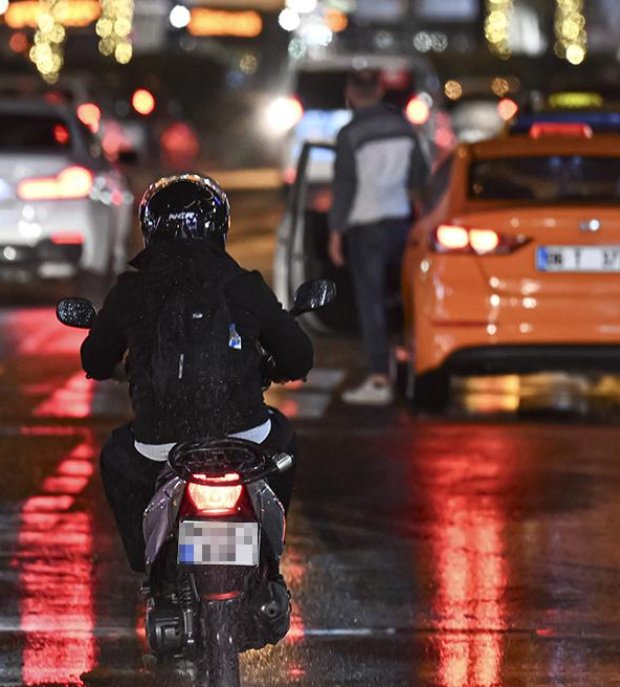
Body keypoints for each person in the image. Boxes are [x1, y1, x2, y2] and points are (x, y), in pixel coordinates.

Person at [80, 175, 314, 623]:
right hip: (244, 436)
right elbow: (299, 354)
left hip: (160, 443)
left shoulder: (133, 290)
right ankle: (271, 562)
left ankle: (149, 567)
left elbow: (94, 357)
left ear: (149, 227)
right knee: (284, 438)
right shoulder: (242, 284)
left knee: (115, 457)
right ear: (220, 227)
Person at [329, 69, 429, 406]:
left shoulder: (350, 134)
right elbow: (419, 177)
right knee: (403, 298)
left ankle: (378, 379)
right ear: (380, 91)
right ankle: (411, 364)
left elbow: (344, 187)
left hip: (366, 227)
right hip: (400, 223)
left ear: (351, 93)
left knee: (370, 303)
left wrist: (335, 232)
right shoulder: (404, 129)